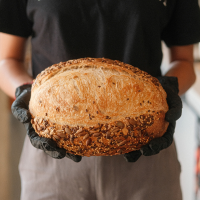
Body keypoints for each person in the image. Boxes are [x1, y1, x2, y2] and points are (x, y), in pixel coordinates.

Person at [0, 0, 200, 199]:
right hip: (51, 150)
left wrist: (168, 91)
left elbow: (184, 62)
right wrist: (25, 92)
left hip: (145, 149)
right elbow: (7, 61)